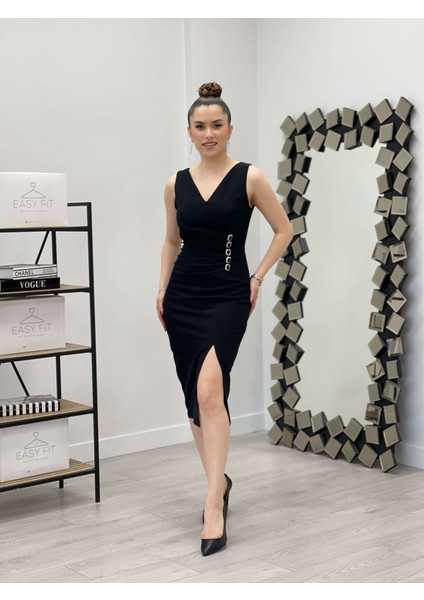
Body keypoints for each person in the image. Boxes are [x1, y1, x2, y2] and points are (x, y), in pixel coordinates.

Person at [156, 82, 293, 556]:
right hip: (183, 297)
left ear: (230, 129)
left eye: (217, 125)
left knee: (211, 389)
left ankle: (213, 502)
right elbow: (171, 241)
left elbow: (283, 230)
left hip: (229, 296)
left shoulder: (249, 177)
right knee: (197, 396)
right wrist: (161, 289)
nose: (208, 133)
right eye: (200, 126)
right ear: (189, 131)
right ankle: (220, 481)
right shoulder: (175, 183)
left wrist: (257, 277)